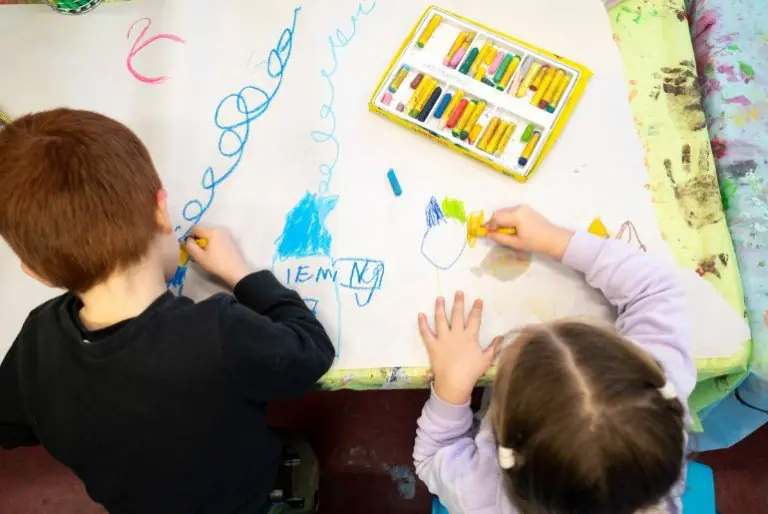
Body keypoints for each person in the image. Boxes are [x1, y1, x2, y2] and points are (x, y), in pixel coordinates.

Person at [0, 109, 334, 514]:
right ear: (160, 210)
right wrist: (243, 275)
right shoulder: (218, 334)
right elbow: (313, 350)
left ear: (35, 272)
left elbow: (9, 426)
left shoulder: (36, 343)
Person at [413, 205, 696, 514]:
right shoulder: (655, 407)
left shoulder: (484, 497)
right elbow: (655, 291)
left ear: (506, 450)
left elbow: (431, 457)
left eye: (511, 367)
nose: (526, 333)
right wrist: (555, 239)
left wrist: (452, 390)